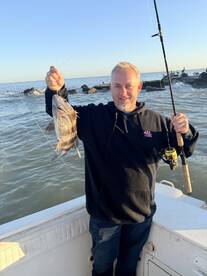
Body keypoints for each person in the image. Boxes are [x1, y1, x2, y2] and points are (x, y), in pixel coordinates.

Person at [45, 62, 198, 276]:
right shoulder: (93, 117)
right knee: (102, 268)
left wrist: (186, 130)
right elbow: (61, 113)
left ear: (139, 87)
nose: (123, 92)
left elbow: (184, 150)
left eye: (128, 86)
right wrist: (56, 90)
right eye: (117, 86)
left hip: (141, 216)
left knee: (128, 268)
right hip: (104, 217)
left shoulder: (158, 122)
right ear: (110, 86)